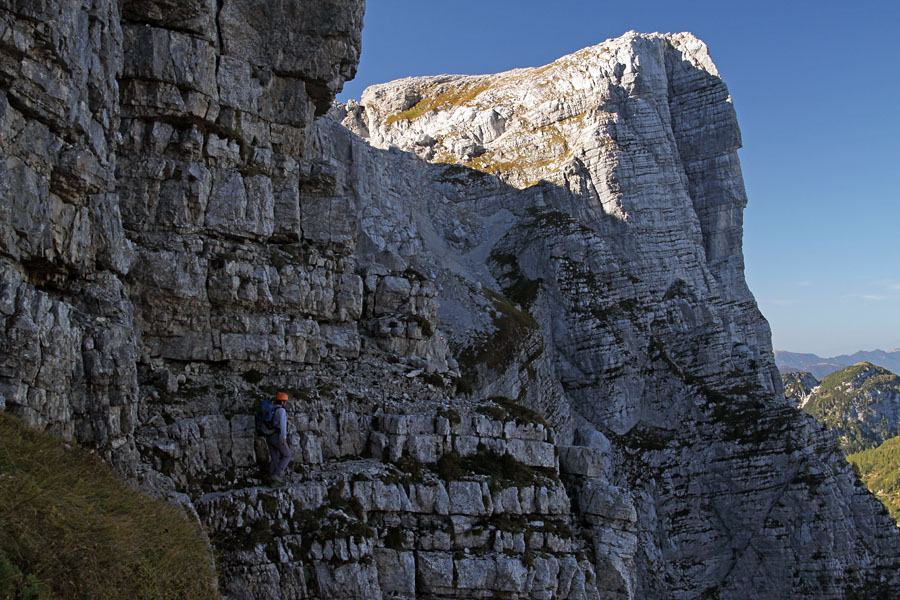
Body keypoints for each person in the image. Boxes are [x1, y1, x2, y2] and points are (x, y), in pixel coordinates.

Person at [266, 392, 291, 483]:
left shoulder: (273, 409)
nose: (286, 403)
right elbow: (282, 425)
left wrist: (287, 417)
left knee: (274, 458)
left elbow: (276, 418)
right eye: (285, 401)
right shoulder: (282, 411)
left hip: (269, 436)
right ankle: (277, 474)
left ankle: (271, 478)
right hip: (278, 436)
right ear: (282, 402)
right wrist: (284, 438)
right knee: (287, 455)